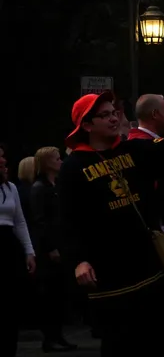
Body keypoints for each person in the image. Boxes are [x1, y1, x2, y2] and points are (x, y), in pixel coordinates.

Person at [59, 68, 164, 356]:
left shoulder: (133, 150)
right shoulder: (74, 167)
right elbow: (68, 220)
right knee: (120, 345)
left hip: (149, 267)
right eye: (105, 115)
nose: (114, 118)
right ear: (86, 125)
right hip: (111, 275)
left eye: (114, 112)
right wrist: (78, 261)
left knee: (162, 342)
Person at [30, 147, 78, 352]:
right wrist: (50, 247)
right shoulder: (40, 188)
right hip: (49, 249)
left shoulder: (55, 186)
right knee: (50, 295)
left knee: (60, 294)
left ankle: (58, 335)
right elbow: (40, 222)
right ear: (47, 163)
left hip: (62, 244)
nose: (61, 161)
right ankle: (50, 338)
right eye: (57, 159)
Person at [0, 145, 37, 357]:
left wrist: (29, 251)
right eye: (1, 158)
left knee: (11, 305)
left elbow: (20, 221)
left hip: (9, 244)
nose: (5, 162)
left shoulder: (11, 188)